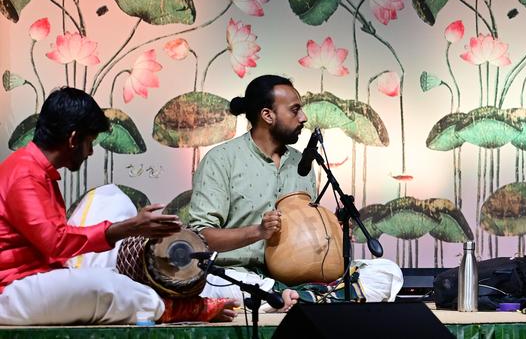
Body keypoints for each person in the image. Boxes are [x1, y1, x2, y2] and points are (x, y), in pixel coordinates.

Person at [0, 87, 234, 325]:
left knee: (110, 202)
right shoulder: (25, 174)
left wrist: (130, 229)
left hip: (41, 278)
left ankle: (180, 300)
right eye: (90, 142)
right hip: (12, 290)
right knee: (102, 285)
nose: (90, 151)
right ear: (73, 139)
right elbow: (56, 244)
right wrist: (128, 228)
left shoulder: (37, 172)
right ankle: (174, 309)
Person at [189, 75, 402, 308]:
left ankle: (299, 299)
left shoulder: (302, 164)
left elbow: (304, 233)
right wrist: (259, 231)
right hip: (241, 273)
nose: (304, 117)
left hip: (298, 275)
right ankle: (308, 299)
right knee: (219, 284)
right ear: (267, 115)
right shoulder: (221, 160)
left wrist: (332, 232)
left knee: (387, 272)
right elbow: (201, 239)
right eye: (295, 110)